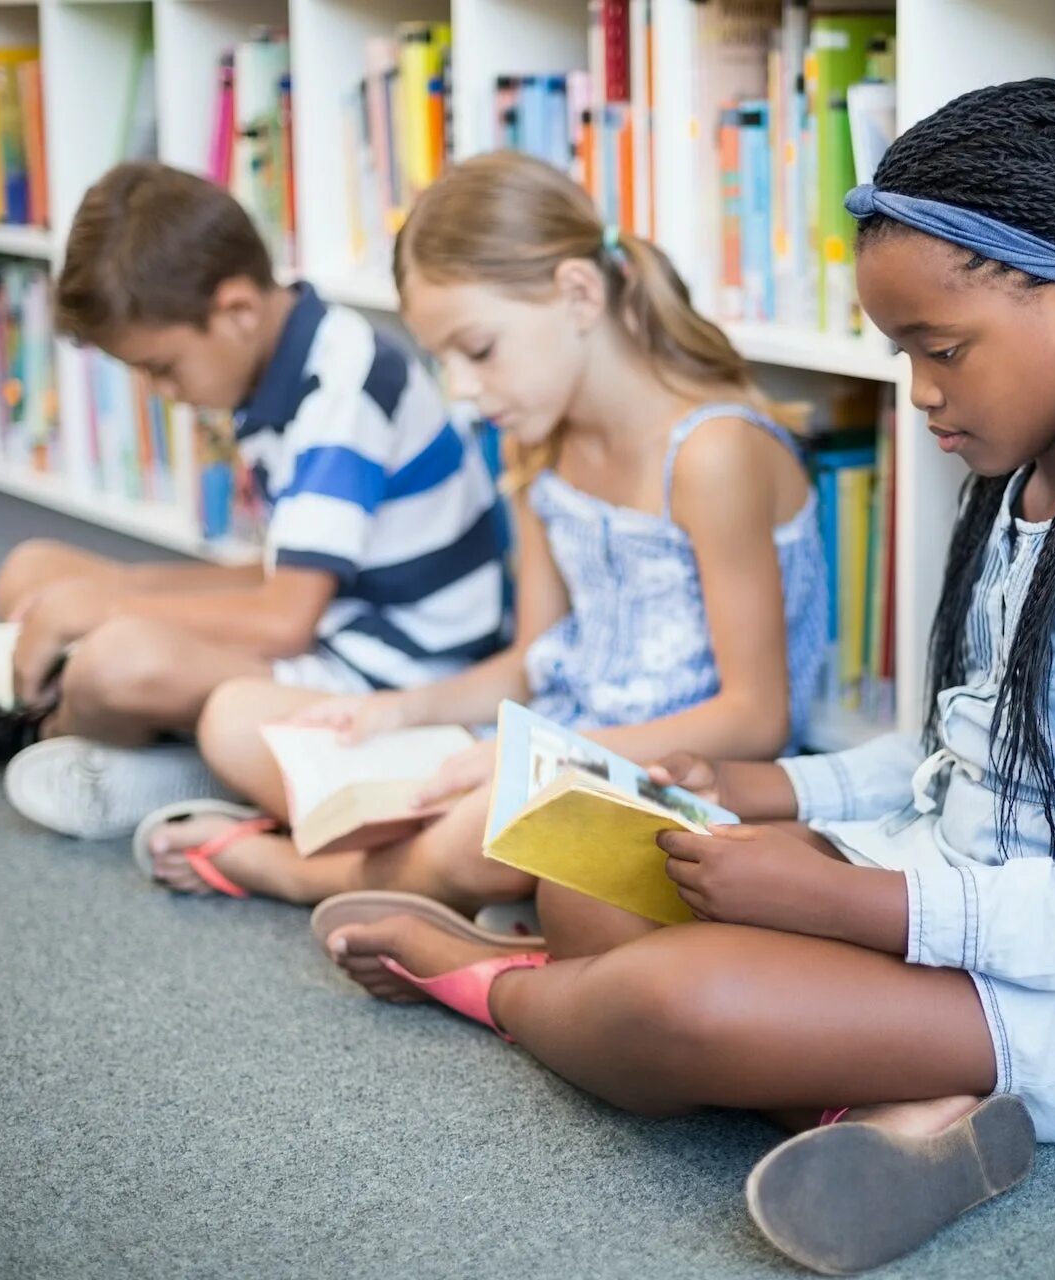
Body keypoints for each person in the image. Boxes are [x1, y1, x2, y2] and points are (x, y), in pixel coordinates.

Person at [305, 79, 1055, 1275]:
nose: (921, 394)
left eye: (942, 351)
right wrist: (761, 786)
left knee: (673, 1002)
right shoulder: (1038, 476)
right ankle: (896, 1117)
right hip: (979, 887)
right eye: (904, 354)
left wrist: (844, 905)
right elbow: (960, 749)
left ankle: (492, 982)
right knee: (588, 879)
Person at [135, 151, 827, 917]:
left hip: (681, 777)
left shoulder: (713, 453)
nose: (462, 389)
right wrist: (398, 711)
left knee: (483, 821)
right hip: (553, 744)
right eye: (443, 361)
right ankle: (427, 875)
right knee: (238, 716)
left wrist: (537, 758)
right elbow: (532, 666)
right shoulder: (540, 446)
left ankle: (296, 870)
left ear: (577, 293)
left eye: (479, 350)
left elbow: (757, 717)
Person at [0, 163, 512, 842]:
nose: (161, 393)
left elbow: (285, 617)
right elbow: (284, 570)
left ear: (236, 310)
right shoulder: (278, 366)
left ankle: (142, 753)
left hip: (389, 676)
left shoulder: (341, 389)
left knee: (116, 660)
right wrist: (111, 587)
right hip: (327, 621)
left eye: (162, 368)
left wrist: (107, 606)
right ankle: (83, 728)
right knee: (34, 570)